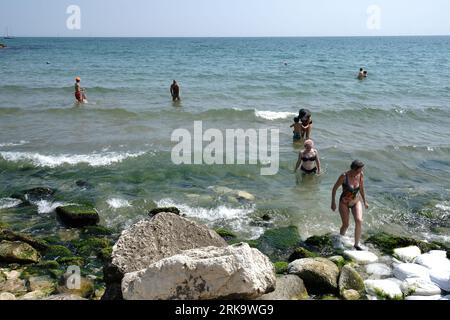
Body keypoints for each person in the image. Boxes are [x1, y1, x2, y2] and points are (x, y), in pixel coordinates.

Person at [331, 160, 369, 251]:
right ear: (354, 169)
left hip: (356, 200)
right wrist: (333, 202)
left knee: (359, 220)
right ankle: (340, 240)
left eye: (361, 170)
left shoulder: (360, 175)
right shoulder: (344, 176)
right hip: (344, 202)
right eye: (359, 170)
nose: (360, 172)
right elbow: (334, 189)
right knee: (345, 224)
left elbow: (361, 189)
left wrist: (365, 201)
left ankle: (356, 245)